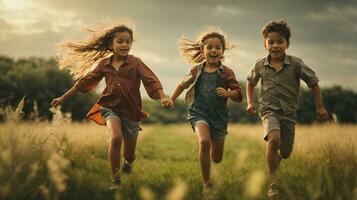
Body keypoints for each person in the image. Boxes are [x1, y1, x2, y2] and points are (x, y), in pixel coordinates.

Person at [51, 19, 169, 189]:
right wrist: (63, 98)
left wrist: (162, 97)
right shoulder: (104, 64)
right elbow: (84, 82)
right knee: (115, 138)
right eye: (120, 41)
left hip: (132, 111)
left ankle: (127, 162)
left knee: (130, 155)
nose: (124, 45)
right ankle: (116, 180)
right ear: (110, 44)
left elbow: (152, 80)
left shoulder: (136, 63)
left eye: (128, 42)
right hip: (109, 107)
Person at [246, 20, 329, 198]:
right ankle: (273, 183)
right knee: (273, 140)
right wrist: (250, 102)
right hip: (268, 110)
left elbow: (313, 83)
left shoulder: (296, 64)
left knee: (285, 152)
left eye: (280, 42)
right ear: (265, 44)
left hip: (289, 113)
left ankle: (278, 160)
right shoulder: (260, 64)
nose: (275, 46)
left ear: (287, 44)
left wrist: (319, 106)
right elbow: (251, 83)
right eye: (271, 42)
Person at [164, 28, 243, 193]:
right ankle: (206, 183)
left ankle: (212, 163)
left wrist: (228, 93)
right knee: (204, 142)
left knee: (217, 157)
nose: (213, 50)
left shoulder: (227, 73)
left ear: (222, 51)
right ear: (202, 50)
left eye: (217, 47)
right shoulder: (196, 70)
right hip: (198, 113)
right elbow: (182, 84)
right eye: (209, 47)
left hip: (219, 117)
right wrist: (171, 98)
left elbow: (238, 95)